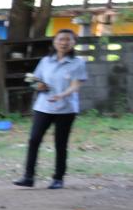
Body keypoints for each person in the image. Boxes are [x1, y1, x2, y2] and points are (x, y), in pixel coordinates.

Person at [14, 28, 87, 189]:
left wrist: (62, 95)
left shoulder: (78, 62)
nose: (64, 42)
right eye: (61, 39)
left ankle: (58, 178)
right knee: (34, 140)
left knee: (60, 143)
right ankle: (28, 177)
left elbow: (76, 85)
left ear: (73, 43)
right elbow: (34, 80)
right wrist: (37, 85)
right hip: (43, 107)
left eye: (68, 39)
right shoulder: (45, 61)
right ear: (54, 42)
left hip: (66, 109)